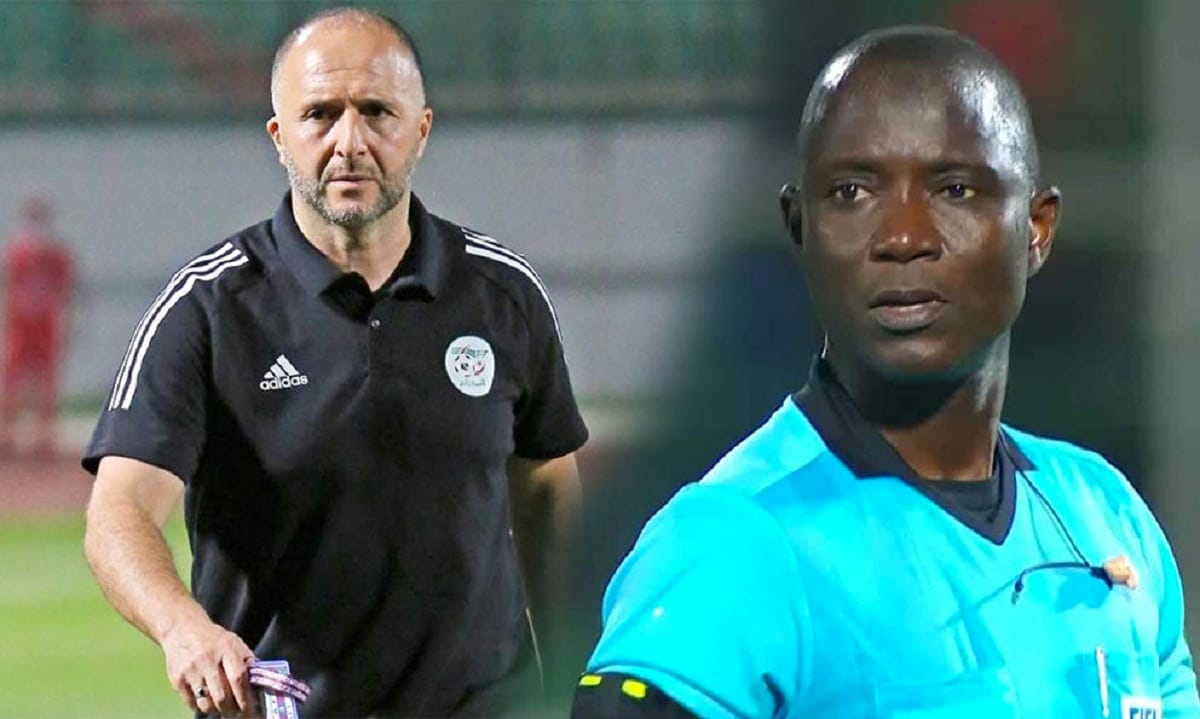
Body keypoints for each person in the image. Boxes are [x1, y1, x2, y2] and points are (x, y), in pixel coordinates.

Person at [572, 26, 1199, 719]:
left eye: (955, 189)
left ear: (1036, 228)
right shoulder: (732, 542)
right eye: (851, 191)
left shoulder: (1108, 518)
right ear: (799, 226)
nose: (903, 237)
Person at [82, 7, 587, 718]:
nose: (350, 142)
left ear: (421, 130)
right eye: (320, 114)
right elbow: (120, 511)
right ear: (279, 136)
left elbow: (547, 489)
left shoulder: (503, 295)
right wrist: (182, 627)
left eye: (377, 112)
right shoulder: (207, 308)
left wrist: (573, 670)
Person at [1, 195, 73, 458]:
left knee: (46, 381)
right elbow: (7, 288)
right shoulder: (16, 255)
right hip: (20, 323)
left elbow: (67, 292)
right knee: (12, 380)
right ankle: (7, 435)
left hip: (46, 323)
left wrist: (68, 325)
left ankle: (45, 437)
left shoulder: (57, 257)